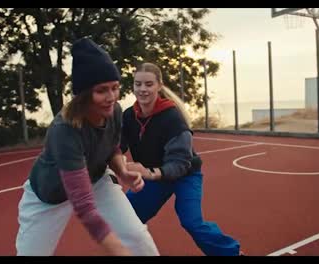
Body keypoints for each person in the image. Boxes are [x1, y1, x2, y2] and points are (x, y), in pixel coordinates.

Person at [15, 38, 159, 256]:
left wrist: (122, 171)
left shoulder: (114, 111)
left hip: (97, 179)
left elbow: (112, 148)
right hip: (49, 195)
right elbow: (85, 208)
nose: (111, 97)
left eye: (115, 88)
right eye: (102, 90)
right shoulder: (64, 130)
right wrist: (119, 251)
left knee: (137, 237)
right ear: (83, 95)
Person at [119, 62, 243, 256]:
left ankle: (231, 254)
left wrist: (150, 173)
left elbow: (180, 163)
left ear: (159, 86)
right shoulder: (128, 116)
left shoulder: (172, 119)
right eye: (138, 84)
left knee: (192, 222)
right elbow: (118, 145)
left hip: (185, 175)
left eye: (149, 84)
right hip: (155, 176)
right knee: (126, 216)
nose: (142, 89)